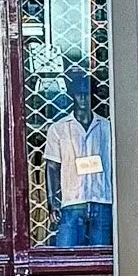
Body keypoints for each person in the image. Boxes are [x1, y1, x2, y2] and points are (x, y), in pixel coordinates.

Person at [44, 66, 113, 247]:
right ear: (72, 96)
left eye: (87, 93)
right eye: (79, 93)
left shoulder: (107, 128)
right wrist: (52, 202)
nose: (83, 98)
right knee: (66, 259)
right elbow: (52, 166)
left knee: (101, 261)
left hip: (102, 200)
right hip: (72, 203)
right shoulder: (59, 129)